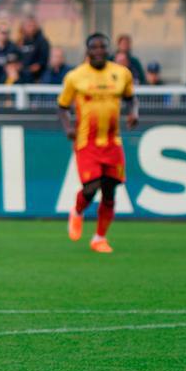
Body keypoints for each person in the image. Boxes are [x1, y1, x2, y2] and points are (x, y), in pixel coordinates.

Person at [58, 33, 138, 254]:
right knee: (92, 187)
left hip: (113, 141)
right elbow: (62, 106)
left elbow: (131, 97)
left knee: (110, 190)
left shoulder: (121, 74)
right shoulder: (76, 77)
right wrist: (68, 128)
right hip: (87, 142)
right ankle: (77, 210)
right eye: (95, 47)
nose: (99, 50)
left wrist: (133, 113)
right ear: (88, 51)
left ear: (108, 49)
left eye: (103, 47)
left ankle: (99, 238)